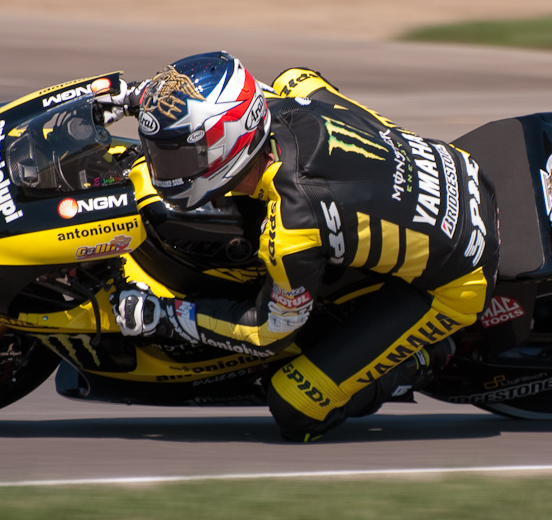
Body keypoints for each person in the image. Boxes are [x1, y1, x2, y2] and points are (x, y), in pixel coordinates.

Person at [107, 51, 499, 442]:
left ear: (226, 147)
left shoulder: (292, 227)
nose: (163, 166)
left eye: (176, 155)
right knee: (296, 79)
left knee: (296, 403)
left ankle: (427, 355)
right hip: (455, 165)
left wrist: (167, 316)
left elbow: (269, 331)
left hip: (461, 272)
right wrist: (138, 98)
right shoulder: (269, 106)